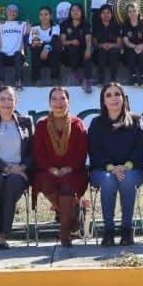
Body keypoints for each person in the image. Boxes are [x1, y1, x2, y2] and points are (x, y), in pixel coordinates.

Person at [88, 82, 143, 246]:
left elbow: (142, 151)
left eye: (117, 94)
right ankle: (108, 231)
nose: (113, 98)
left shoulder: (138, 121)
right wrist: (111, 168)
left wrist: (125, 167)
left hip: (132, 170)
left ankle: (127, 229)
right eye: (108, 95)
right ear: (103, 101)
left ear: (123, 98)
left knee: (126, 179)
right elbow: (95, 152)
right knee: (109, 180)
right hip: (102, 171)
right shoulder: (96, 123)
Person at [33, 86, 89, 246]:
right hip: (48, 170)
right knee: (44, 181)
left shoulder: (78, 124)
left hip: (74, 171)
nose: (58, 102)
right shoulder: (42, 125)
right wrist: (51, 168)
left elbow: (82, 152)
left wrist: (69, 168)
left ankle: (64, 230)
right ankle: (73, 215)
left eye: (62, 98)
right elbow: (38, 153)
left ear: (68, 101)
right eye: (54, 99)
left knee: (68, 182)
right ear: (49, 102)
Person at [0, 86, 35, 249]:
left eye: (10, 98)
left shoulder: (26, 122)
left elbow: (33, 152)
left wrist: (22, 167)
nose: (6, 102)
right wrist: (6, 168)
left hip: (19, 172)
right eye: (2, 99)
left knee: (13, 182)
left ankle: (2, 233)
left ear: (16, 101)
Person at [0, 3, 29, 89]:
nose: (12, 13)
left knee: (18, 54)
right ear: (6, 12)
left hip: (17, 56)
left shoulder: (22, 24)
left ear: (17, 13)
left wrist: (27, 33)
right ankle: (0, 82)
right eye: (10, 11)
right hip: (4, 56)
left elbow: (26, 42)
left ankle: (18, 81)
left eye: (14, 11)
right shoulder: (0, 24)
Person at [59, 3, 93, 93]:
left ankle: (88, 81)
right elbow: (62, 42)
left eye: (77, 10)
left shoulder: (86, 24)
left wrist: (88, 49)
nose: (75, 12)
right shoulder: (64, 24)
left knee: (88, 53)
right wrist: (71, 42)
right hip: (68, 55)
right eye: (73, 10)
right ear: (70, 12)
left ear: (81, 12)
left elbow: (88, 39)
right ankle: (74, 72)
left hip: (82, 52)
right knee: (72, 48)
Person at [29, 5, 62, 85]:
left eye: (46, 14)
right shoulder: (34, 27)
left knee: (56, 44)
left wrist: (46, 48)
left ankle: (55, 79)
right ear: (39, 16)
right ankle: (36, 80)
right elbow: (33, 42)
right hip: (39, 55)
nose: (43, 17)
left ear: (50, 16)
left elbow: (54, 40)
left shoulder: (55, 26)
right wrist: (43, 44)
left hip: (51, 55)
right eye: (41, 15)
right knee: (35, 48)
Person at [121, 3, 143, 88]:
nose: (132, 13)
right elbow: (126, 41)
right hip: (130, 48)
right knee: (131, 53)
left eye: (134, 11)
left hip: (141, 47)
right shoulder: (125, 25)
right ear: (127, 13)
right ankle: (133, 77)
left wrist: (141, 46)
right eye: (130, 11)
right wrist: (135, 46)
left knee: (142, 53)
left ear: (138, 12)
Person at [92, 4, 123, 84]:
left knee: (113, 51)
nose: (106, 15)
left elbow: (119, 44)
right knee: (101, 52)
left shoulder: (116, 26)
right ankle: (101, 79)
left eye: (108, 12)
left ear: (111, 14)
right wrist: (101, 45)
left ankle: (113, 78)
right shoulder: (96, 26)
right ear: (100, 15)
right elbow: (94, 42)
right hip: (100, 52)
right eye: (103, 13)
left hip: (113, 52)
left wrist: (111, 45)